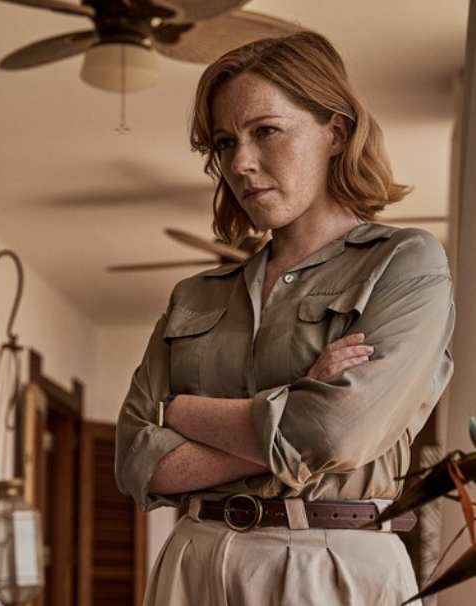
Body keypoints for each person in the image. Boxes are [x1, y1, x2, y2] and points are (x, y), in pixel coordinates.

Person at [115, 30, 455, 606]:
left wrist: (182, 412)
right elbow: (135, 462)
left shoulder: (406, 262)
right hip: (191, 563)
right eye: (225, 142)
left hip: (331, 565)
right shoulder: (193, 296)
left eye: (266, 131)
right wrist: (297, 398)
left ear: (336, 132)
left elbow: (335, 432)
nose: (240, 163)